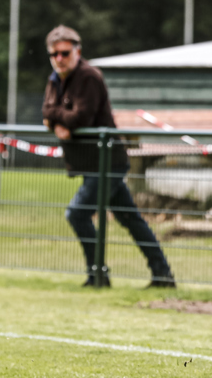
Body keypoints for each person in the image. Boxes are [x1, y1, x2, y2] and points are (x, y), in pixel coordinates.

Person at [41, 25, 175, 288]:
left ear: (77, 51)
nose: (59, 58)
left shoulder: (89, 76)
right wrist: (57, 121)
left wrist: (57, 118)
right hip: (91, 164)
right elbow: (46, 111)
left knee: (77, 214)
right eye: (54, 54)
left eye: (65, 53)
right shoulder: (54, 79)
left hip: (107, 162)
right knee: (130, 219)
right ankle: (163, 275)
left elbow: (81, 117)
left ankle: (98, 274)